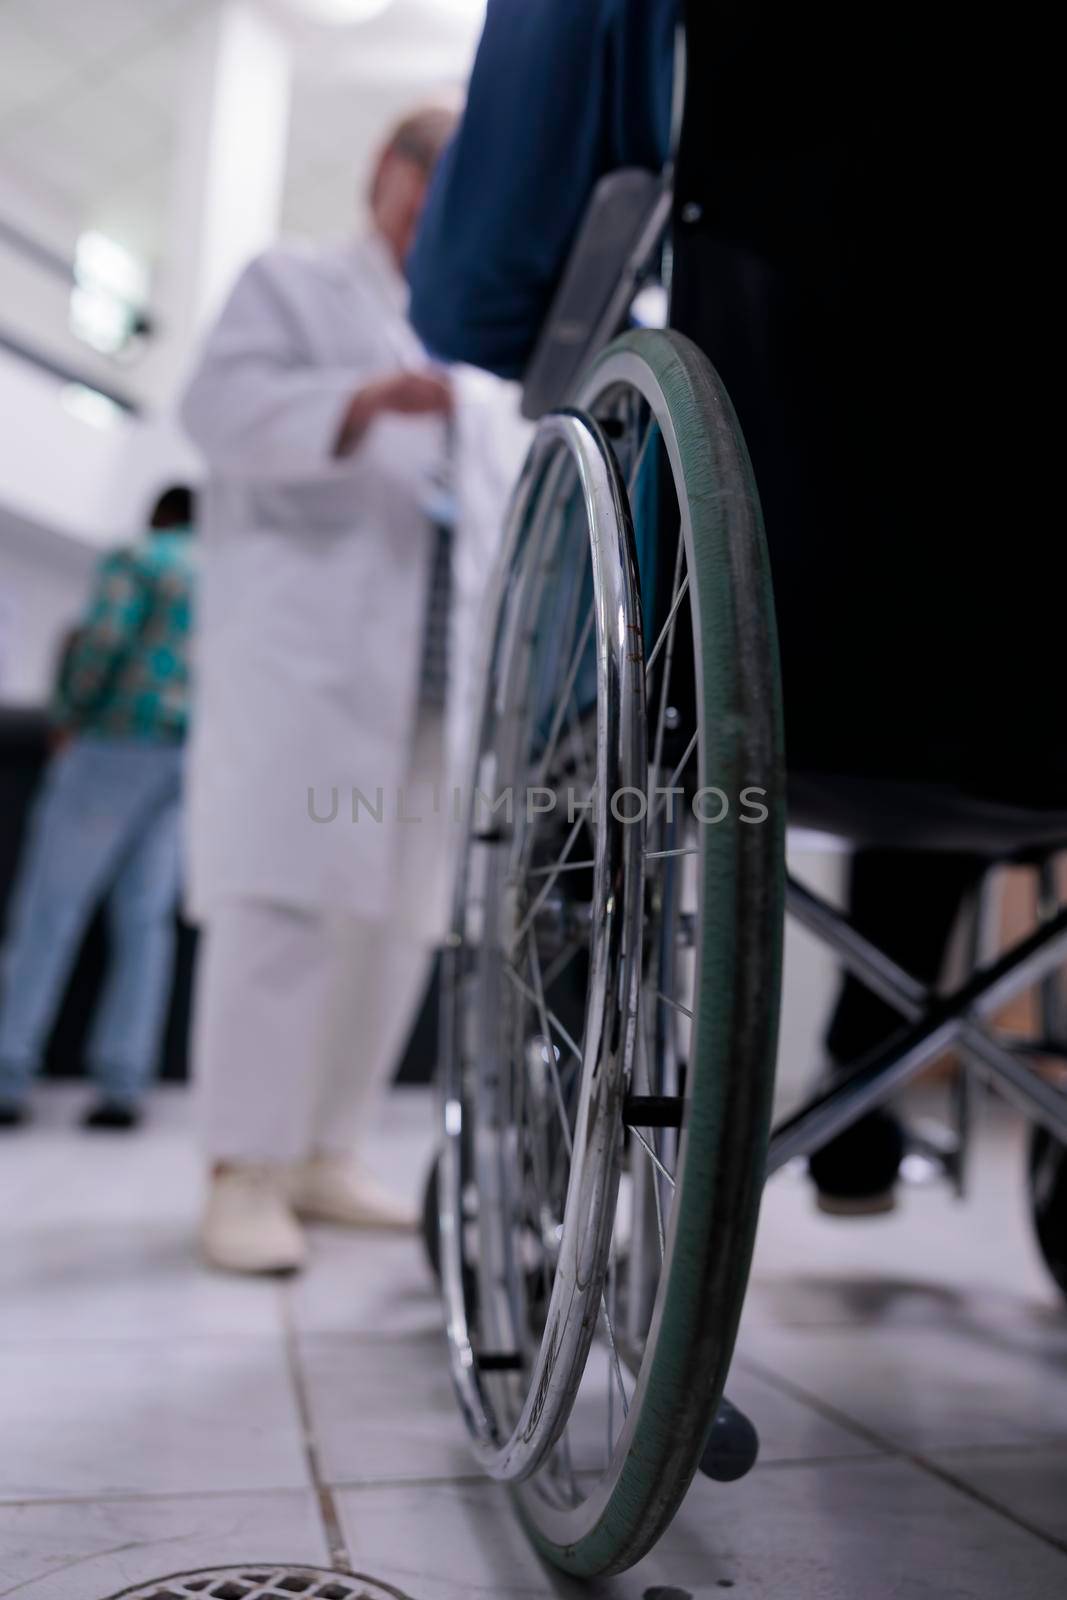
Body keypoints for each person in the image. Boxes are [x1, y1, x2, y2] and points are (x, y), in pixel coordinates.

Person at [409, 2, 1059, 1213]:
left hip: (796, 637)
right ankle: (877, 1058)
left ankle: (563, 1120)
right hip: (1014, 663)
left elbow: (473, 296)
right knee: (974, 610)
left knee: (767, 575)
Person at [180, 106, 459, 1276]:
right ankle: (241, 1170)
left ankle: (325, 1152)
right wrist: (363, 400)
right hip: (305, 656)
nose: (432, 218)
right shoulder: (290, 282)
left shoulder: (456, 324)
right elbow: (216, 412)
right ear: (382, 174)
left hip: (433, 670)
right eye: (424, 188)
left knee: (398, 920)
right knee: (282, 906)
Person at [0, 486, 196, 1131]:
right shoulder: (222, 572)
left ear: (159, 514)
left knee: (50, 914)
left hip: (114, 743)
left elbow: (103, 641)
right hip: (183, 755)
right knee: (144, 926)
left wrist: (69, 716)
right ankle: (123, 1085)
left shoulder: (138, 558)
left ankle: (8, 1072)